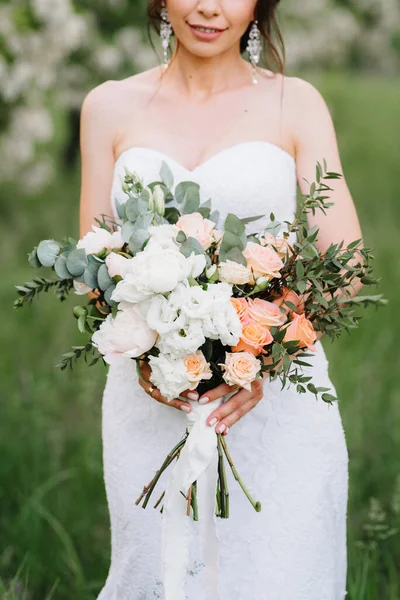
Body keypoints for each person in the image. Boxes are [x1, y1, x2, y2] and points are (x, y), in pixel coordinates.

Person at [79, 1, 363, 598]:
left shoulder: (296, 103)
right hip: (152, 393)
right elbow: (92, 271)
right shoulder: (107, 106)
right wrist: (157, 348)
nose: (209, 7)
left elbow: (348, 268)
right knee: (158, 570)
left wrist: (259, 351)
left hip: (279, 402)